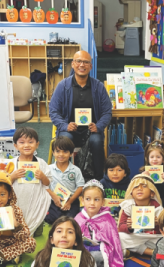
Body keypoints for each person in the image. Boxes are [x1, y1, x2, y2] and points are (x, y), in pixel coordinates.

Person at [49, 50, 112, 180]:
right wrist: (65, 125)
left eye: (86, 62)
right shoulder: (63, 86)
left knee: (97, 141)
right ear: (73, 64)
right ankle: (64, 178)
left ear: (90, 66)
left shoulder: (98, 87)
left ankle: (99, 179)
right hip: (69, 131)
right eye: (78, 61)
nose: (82, 65)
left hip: (91, 131)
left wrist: (98, 126)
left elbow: (107, 111)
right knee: (65, 140)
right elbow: (53, 111)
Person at [9, 127, 52, 237]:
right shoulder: (11, 164)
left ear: (37, 144)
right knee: (16, 225)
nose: (27, 145)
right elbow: (2, 184)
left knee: (36, 230)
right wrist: (12, 177)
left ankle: (36, 225)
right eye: (22, 142)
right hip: (17, 200)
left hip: (35, 201)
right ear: (15, 145)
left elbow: (47, 183)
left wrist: (42, 177)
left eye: (31, 142)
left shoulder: (41, 163)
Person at [75, 180, 124, 267]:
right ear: (82, 200)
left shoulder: (107, 219)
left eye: (96, 199)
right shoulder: (79, 217)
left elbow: (113, 241)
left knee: (95, 257)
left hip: (100, 249)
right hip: (83, 247)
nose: (92, 203)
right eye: (88, 199)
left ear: (102, 202)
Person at [118, 174, 164, 258]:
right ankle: (150, 252)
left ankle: (132, 249)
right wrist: (129, 227)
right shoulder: (128, 205)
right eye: (135, 187)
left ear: (152, 193)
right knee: (119, 236)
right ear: (131, 193)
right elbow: (121, 226)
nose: (139, 189)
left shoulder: (158, 208)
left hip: (153, 237)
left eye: (144, 186)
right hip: (136, 236)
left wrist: (159, 224)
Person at [46, 136, 85, 224]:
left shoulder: (75, 170)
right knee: (52, 219)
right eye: (58, 151)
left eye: (65, 151)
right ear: (53, 153)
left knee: (73, 220)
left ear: (71, 154)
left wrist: (70, 202)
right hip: (55, 200)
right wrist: (54, 197)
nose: (61, 154)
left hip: (71, 200)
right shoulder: (48, 169)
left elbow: (80, 187)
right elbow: (45, 186)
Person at [140, 140, 164, 207]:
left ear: (163, 159)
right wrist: (142, 179)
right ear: (148, 159)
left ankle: (159, 206)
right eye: (152, 157)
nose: (155, 159)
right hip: (149, 197)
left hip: (162, 196)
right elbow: (139, 189)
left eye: (158, 157)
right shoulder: (144, 171)